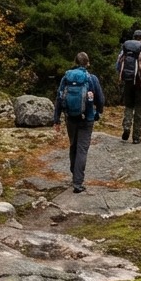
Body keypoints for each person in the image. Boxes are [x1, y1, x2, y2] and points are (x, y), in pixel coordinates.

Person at [52, 52, 105, 193]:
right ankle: (77, 182)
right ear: (88, 63)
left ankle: (74, 170)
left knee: (73, 145)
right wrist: (98, 112)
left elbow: (59, 98)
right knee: (82, 149)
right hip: (87, 118)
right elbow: (100, 99)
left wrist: (56, 119)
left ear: (75, 62)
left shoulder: (66, 78)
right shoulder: (92, 78)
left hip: (70, 118)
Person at [116, 31, 141, 144]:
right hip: (140, 84)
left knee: (129, 106)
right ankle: (136, 137)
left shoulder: (125, 50)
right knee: (139, 110)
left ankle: (126, 127)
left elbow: (118, 66)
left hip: (128, 83)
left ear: (133, 38)